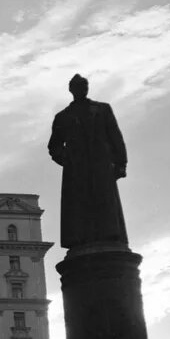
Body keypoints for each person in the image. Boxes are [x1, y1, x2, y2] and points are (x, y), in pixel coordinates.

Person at [47, 74, 129, 249]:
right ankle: (81, 239)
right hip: (77, 170)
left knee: (105, 203)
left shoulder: (102, 109)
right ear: (71, 90)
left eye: (83, 86)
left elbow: (115, 137)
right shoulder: (63, 117)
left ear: (87, 88)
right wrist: (68, 160)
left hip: (101, 165)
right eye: (76, 86)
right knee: (80, 206)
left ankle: (109, 236)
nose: (80, 89)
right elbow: (54, 146)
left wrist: (121, 163)